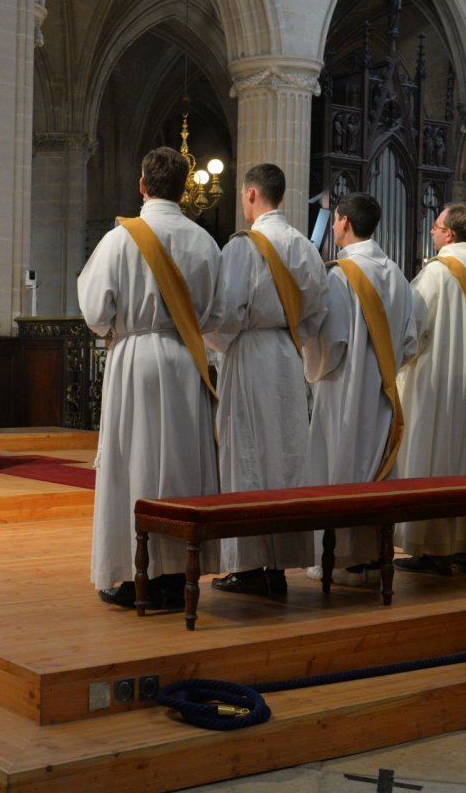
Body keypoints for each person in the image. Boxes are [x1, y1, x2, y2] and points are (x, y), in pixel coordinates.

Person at [78, 146, 221, 608]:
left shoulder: (121, 239)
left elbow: (97, 311)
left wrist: (114, 327)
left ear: (142, 184)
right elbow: (216, 312)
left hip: (135, 356)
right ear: (184, 188)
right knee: (181, 467)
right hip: (184, 359)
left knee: (130, 464)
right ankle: (179, 570)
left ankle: (129, 573)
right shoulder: (202, 240)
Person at [203, 163, 329, 596]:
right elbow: (317, 312)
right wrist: (293, 338)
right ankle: (279, 564)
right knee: (286, 459)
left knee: (247, 458)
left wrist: (219, 345)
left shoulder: (244, 246)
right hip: (286, 357)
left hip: (250, 353)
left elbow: (224, 312)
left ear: (252, 194)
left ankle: (250, 567)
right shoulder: (304, 246)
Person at [305, 193, 419, 585]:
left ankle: (339, 557)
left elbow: (331, 341)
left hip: (343, 389)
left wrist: (313, 370)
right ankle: (373, 554)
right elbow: (411, 340)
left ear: (345, 223)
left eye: (335, 220)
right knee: (376, 469)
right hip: (385, 391)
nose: (334, 226)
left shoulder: (342, 274)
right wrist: (384, 370)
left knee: (341, 464)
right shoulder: (398, 274)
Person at [394, 203, 466, 573]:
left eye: (437, 227)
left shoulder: (437, 273)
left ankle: (431, 549)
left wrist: (398, 365)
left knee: (432, 457)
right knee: (462, 458)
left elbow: (411, 328)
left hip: (435, 377)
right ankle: (461, 547)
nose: (434, 232)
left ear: (450, 235)